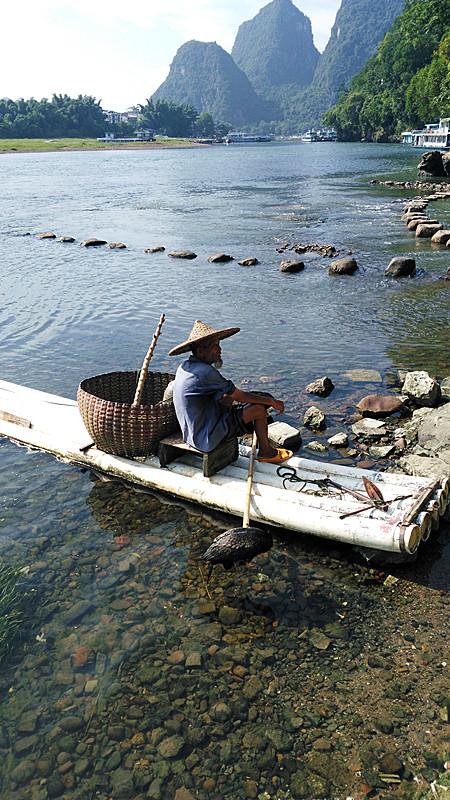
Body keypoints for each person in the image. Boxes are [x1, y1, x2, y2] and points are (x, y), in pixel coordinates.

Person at [168, 320, 293, 463]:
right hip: (206, 439)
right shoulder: (206, 372)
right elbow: (240, 396)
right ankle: (266, 452)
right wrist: (272, 402)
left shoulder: (185, 366)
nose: (219, 350)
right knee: (258, 409)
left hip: (191, 435)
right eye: (215, 346)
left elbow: (225, 396)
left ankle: (254, 435)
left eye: (219, 345)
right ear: (201, 351)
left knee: (235, 398)